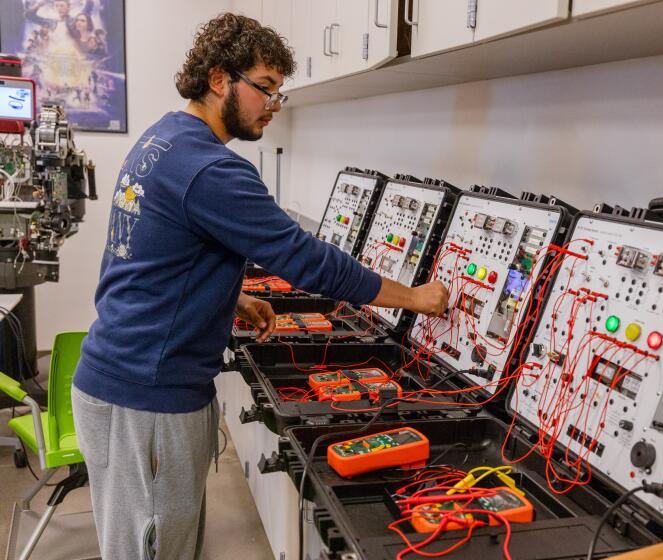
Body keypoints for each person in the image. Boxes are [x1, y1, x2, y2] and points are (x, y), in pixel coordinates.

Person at [70, 12, 449, 560]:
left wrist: (231, 298)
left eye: (278, 92)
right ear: (221, 79)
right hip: (147, 398)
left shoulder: (163, 139)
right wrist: (414, 298)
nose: (273, 104)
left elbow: (147, 259)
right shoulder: (212, 169)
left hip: (116, 378)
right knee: (152, 550)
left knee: (143, 542)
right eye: (265, 88)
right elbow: (309, 261)